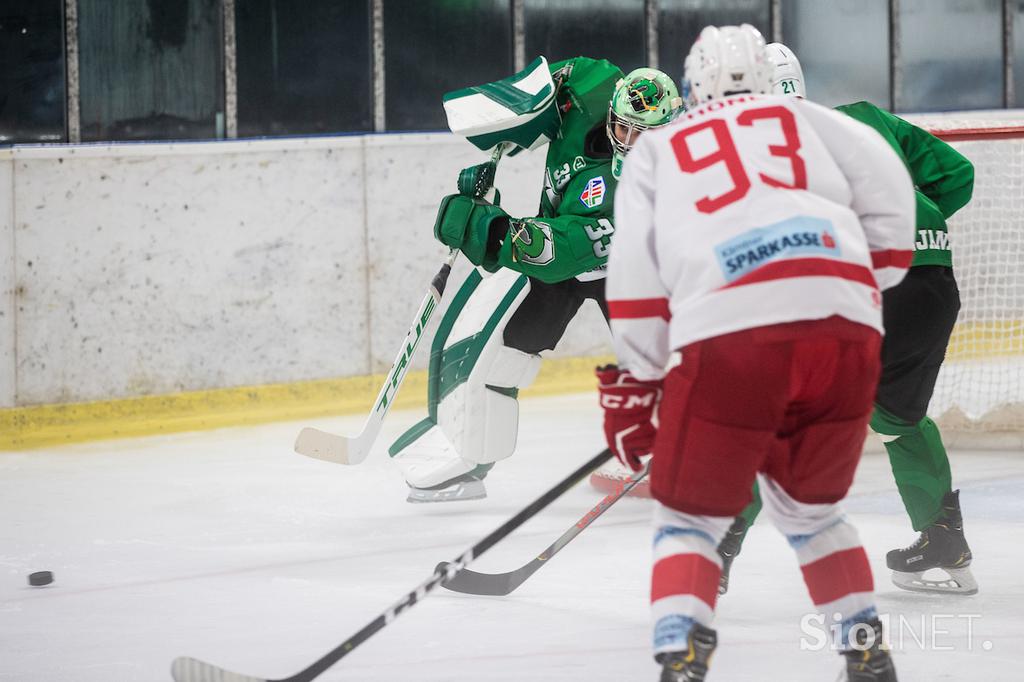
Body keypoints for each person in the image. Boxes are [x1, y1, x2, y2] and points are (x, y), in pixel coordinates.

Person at [599, 24, 915, 681]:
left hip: (730, 339)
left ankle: (684, 656)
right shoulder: (819, 121)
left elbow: (633, 279)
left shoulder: (657, 149)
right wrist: (855, 280)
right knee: (812, 513)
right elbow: (892, 203)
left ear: (690, 88)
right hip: (846, 332)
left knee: (689, 519)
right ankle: (865, 651)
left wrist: (645, 373)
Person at [717, 41, 978, 596]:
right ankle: (944, 539)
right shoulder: (863, 119)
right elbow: (958, 175)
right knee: (899, 420)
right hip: (933, 280)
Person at [390, 59, 683, 502]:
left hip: (633, 272)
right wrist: (509, 131)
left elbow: (559, 250)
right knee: (498, 353)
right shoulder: (593, 81)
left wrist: (487, 229)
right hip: (562, 261)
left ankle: (686, 452)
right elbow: (540, 90)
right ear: (612, 117)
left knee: (662, 362)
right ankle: (467, 456)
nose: (634, 145)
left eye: (649, 137)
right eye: (626, 131)